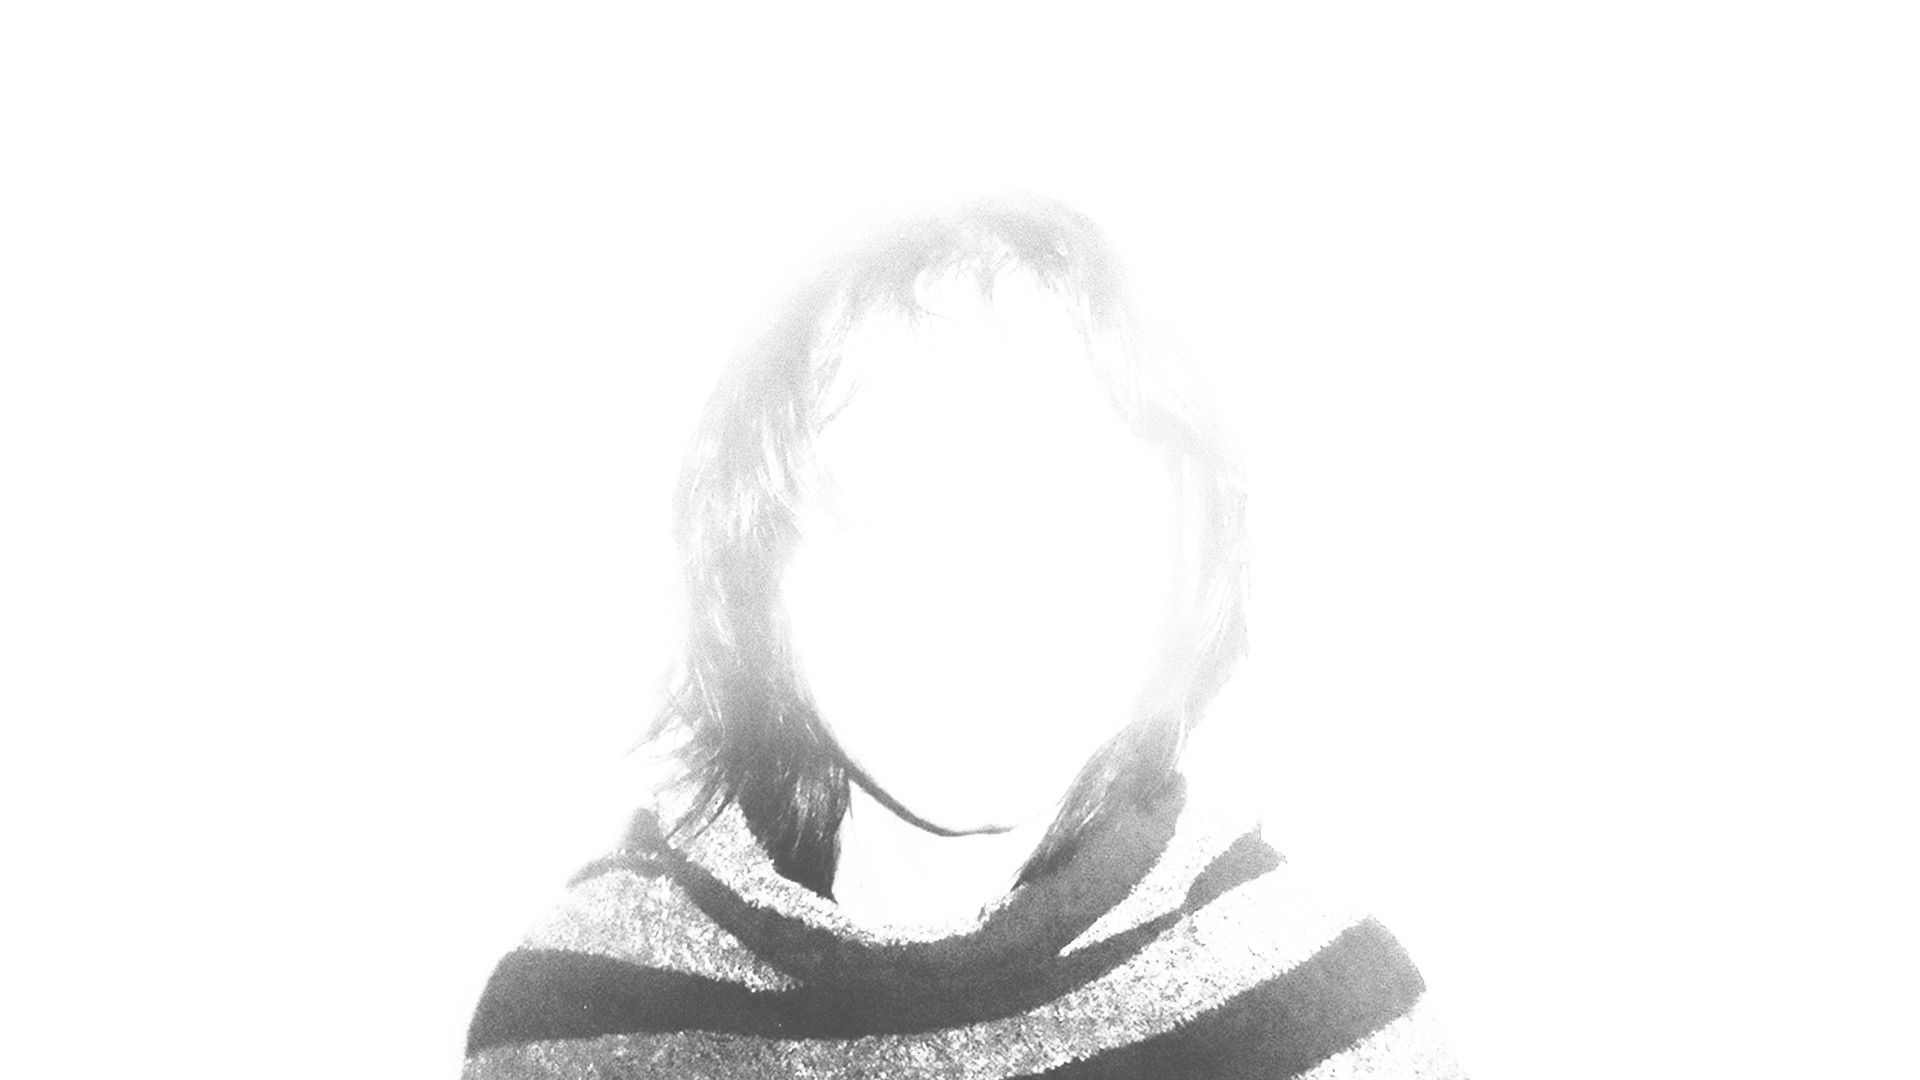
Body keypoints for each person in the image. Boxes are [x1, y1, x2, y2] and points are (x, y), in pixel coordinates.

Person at [462, 194, 1462, 1078]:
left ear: (1186, 556)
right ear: (757, 567)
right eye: (884, 511)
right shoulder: (581, 1019)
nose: (979, 600)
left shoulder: (1322, 1022)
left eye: (1068, 508)